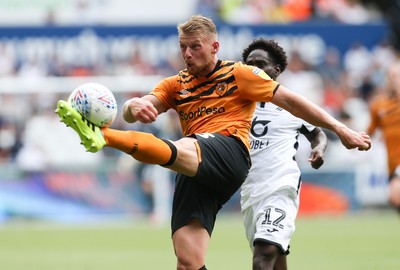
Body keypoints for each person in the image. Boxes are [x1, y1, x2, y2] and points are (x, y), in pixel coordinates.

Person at [56, 15, 371, 270]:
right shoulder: (175, 84)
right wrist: (134, 105)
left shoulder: (240, 74)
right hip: (196, 166)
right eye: (183, 48)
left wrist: (340, 130)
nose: (188, 54)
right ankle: (108, 135)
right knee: (188, 260)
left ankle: (105, 137)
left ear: (215, 46)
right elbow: (137, 106)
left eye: (195, 47)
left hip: (229, 152)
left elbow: (292, 101)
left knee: (182, 145)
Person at [240, 38, 328, 270]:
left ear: (276, 70)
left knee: (263, 258)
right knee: (275, 258)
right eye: (250, 64)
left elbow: (317, 133)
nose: (255, 69)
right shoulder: (234, 105)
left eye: (261, 64)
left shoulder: (292, 104)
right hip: (250, 192)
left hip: (280, 187)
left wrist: (318, 148)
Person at [367, 60, 400, 211]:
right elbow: (370, 131)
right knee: (394, 200)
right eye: (393, 76)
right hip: (393, 163)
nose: (396, 79)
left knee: (395, 195)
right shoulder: (379, 105)